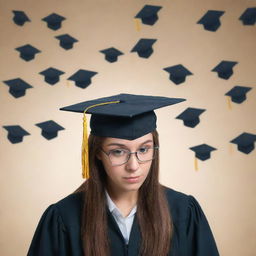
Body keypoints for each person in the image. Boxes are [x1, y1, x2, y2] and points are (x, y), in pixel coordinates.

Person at [27, 93, 219, 256]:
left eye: (144, 149)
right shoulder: (63, 218)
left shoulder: (183, 211)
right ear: (96, 153)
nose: (134, 166)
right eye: (118, 151)